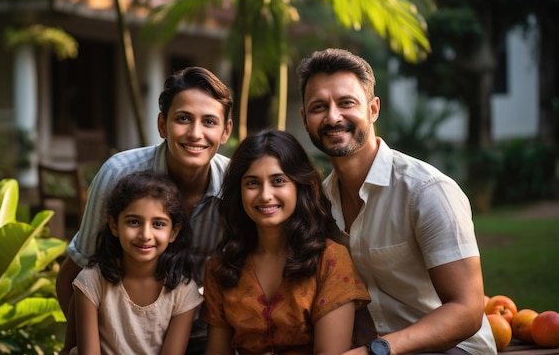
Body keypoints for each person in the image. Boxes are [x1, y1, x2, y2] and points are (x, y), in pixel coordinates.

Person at [296, 48, 497, 355]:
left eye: (346, 103)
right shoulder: (321, 202)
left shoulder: (426, 191)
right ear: (305, 119)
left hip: (455, 349)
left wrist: (378, 350)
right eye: (319, 107)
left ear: (373, 109)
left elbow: (468, 310)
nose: (333, 116)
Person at [56, 66, 233, 354]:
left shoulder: (234, 189)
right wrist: (95, 340)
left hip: (201, 334)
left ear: (225, 131)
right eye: (183, 119)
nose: (195, 133)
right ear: (162, 125)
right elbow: (75, 273)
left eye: (209, 122)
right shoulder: (119, 174)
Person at [202, 128, 371, 355]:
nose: (265, 195)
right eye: (252, 183)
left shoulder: (330, 261)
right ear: (239, 190)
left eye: (278, 181)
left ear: (299, 186)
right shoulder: (222, 266)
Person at [70, 170, 203, 354]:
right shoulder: (91, 282)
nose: (145, 235)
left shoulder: (183, 293)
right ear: (114, 225)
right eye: (133, 222)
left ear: (174, 232)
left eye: (158, 224)